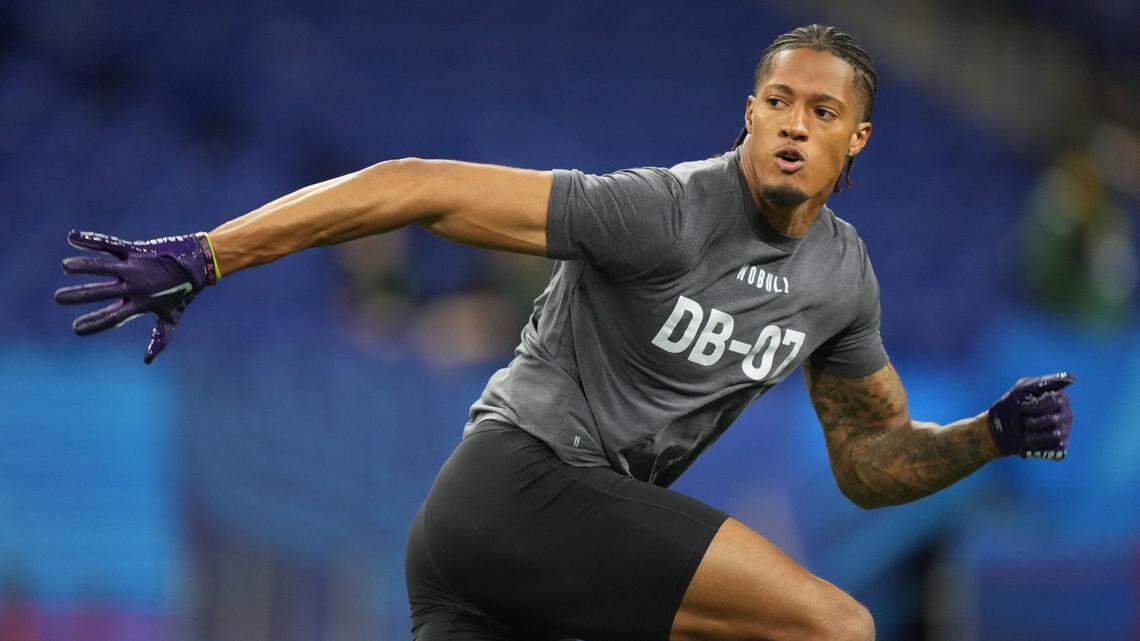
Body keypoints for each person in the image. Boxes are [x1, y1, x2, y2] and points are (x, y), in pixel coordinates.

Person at [54, 24, 1074, 641]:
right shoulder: (662, 211)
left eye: (821, 108)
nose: (794, 123)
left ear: (858, 139)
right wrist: (210, 253)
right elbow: (419, 186)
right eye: (776, 101)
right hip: (518, 486)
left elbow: (867, 459)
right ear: (749, 113)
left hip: (502, 557)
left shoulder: (842, 277)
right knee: (835, 624)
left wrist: (984, 436)